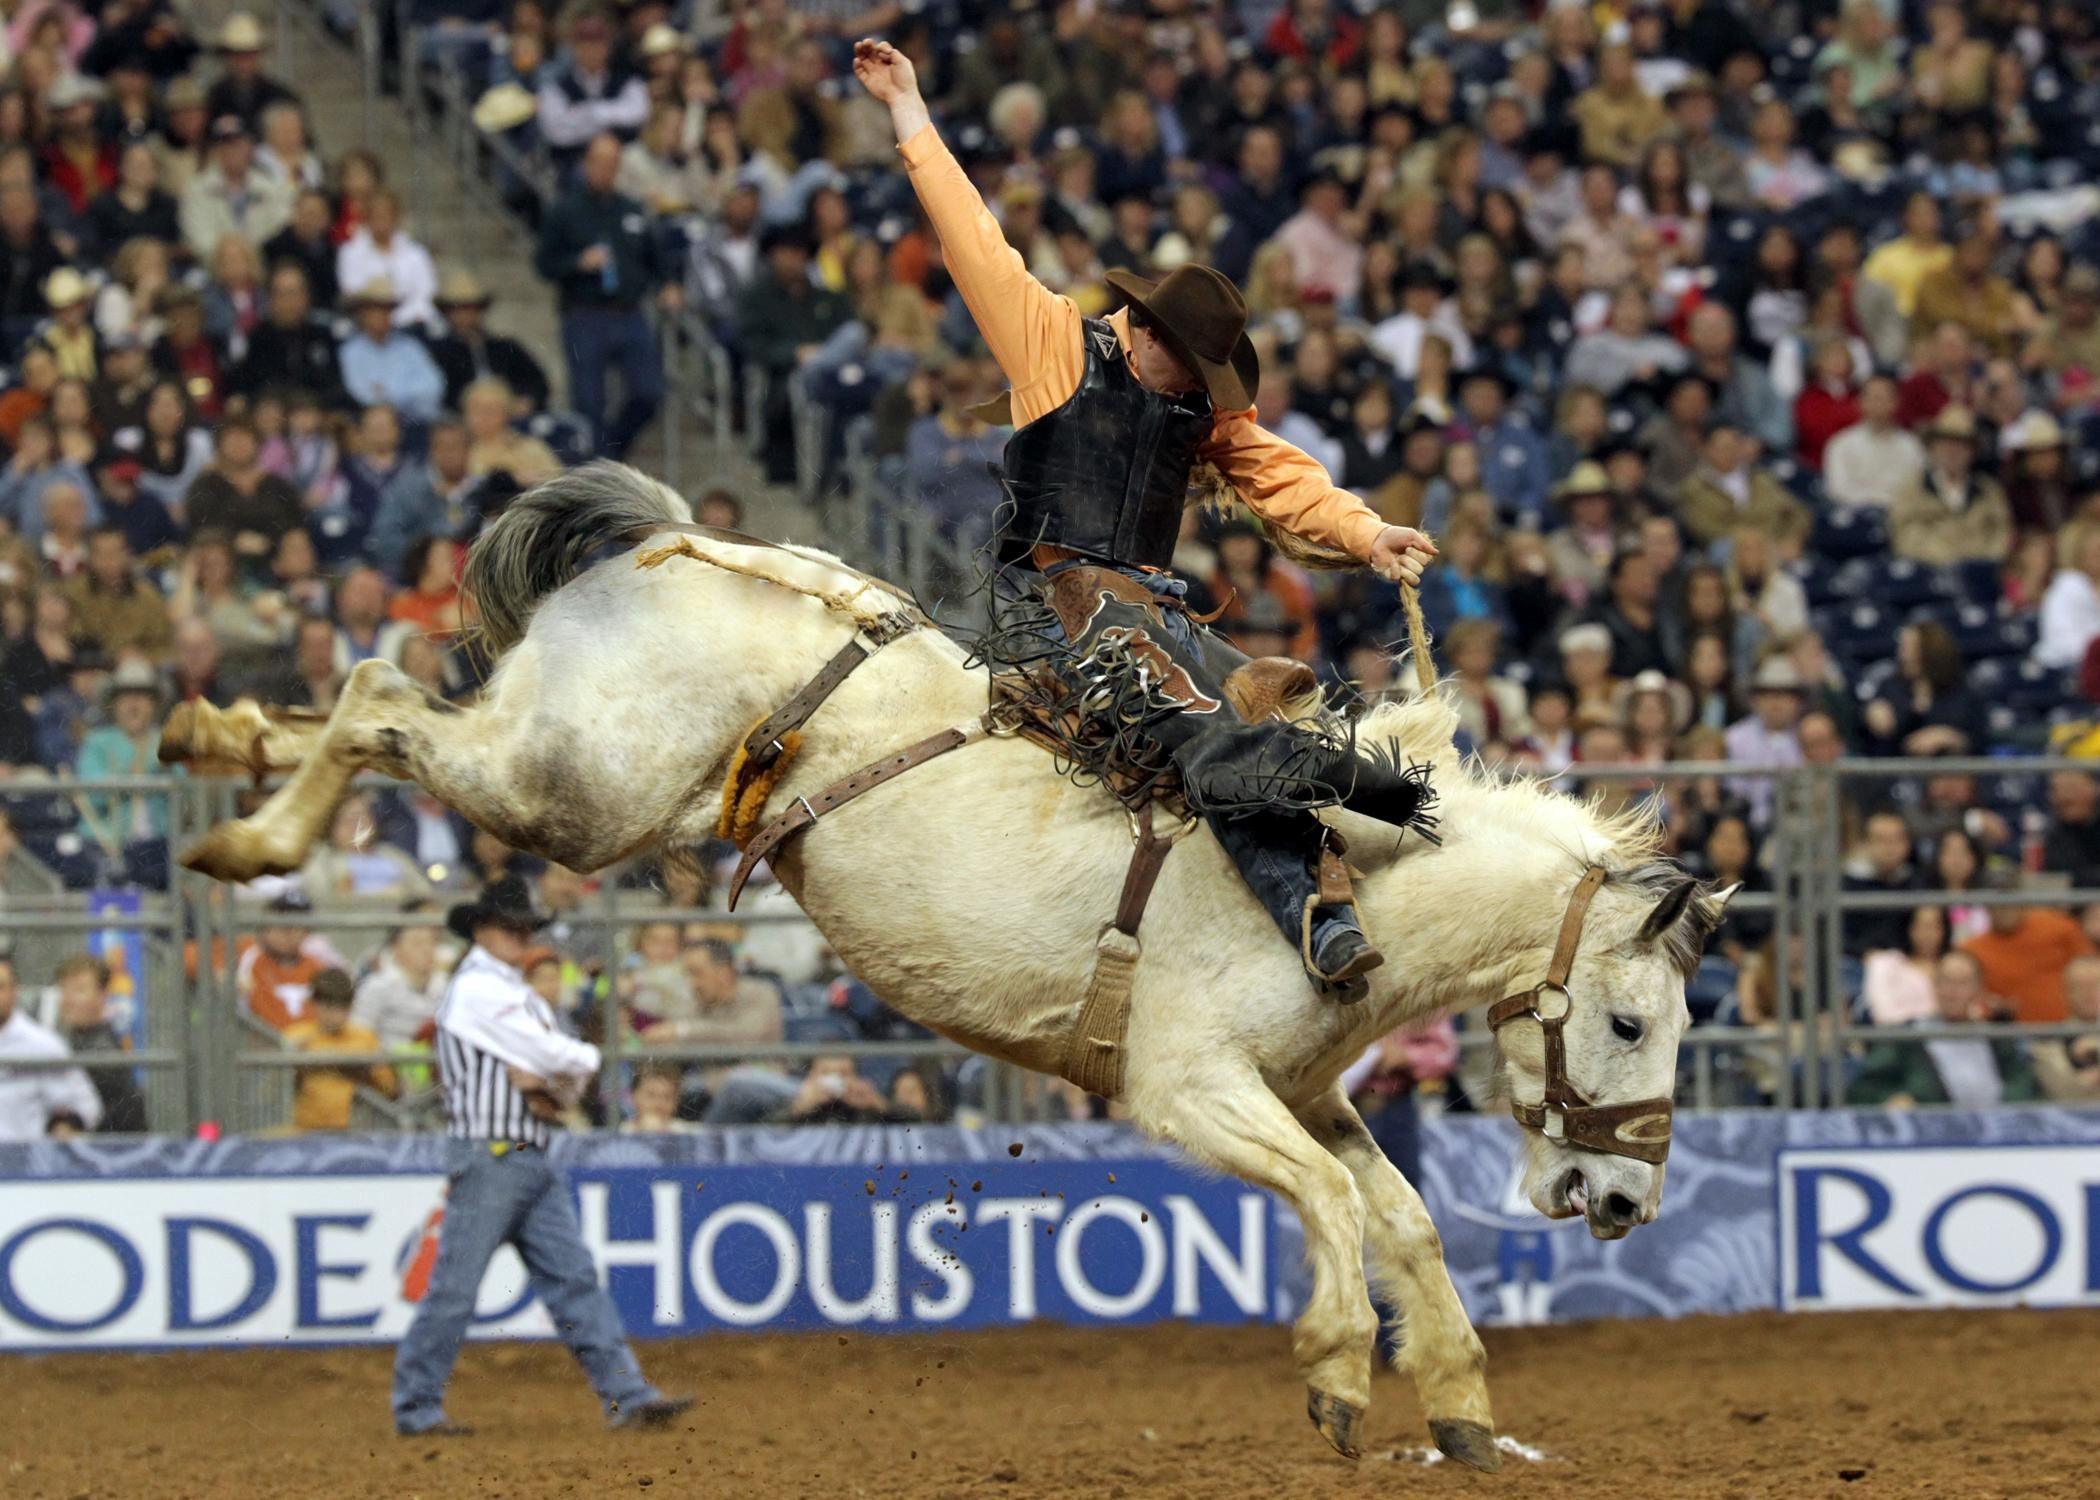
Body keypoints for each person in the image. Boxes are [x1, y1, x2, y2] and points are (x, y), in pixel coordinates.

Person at [853, 37, 1438, 997]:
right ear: (1153, 335)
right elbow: (971, 235)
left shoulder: (1198, 407)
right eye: (1195, 368)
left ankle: (1325, 856)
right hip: (1056, 604)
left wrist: (1369, 534)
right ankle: (1315, 883)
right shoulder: (1053, 343)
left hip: (1150, 616)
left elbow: (1280, 473)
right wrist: (909, 110)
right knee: (1208, 725)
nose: (1205, 394)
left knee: (1252, 698)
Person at [391, 876, 693, 1436]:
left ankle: (627, 1392)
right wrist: (573, 1062)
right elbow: (558, 1057)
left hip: (520, 1153)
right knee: (462, 1289)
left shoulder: (509, 992)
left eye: (523, 926)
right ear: (481, 930)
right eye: (509, 925)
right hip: (494, 1152)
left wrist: (559, 1073)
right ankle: (415, 1405)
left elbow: (561, 1076)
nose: (518, 933)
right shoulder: (483, 989)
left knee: (568, 1279)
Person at [533, 132, 680, 460]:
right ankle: (596, 468)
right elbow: (544, 263)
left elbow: (657, 258)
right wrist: (576, 263)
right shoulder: (564, 209)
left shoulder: (632, 209)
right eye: (599, 162)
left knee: (649, 391)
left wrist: (668, 284)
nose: (606, 170)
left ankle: (609, 455)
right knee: (588, 403)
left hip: (629, 313)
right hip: (585, 313)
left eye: (613, 163)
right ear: (586, 164)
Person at [1847, 950, 2039, 1108]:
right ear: (1934, 985)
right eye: (1945, 982)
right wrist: (1891, 1099)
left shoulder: (1997, 1038)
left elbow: (2022, 1084)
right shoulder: (1907, 1037)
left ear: (1979, 989)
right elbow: (1862, 1090)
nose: (1952, 992)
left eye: (1962, 983)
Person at [1961, 876, 2095, 1024]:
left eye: (2010, 900)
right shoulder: (1972, 950)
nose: (2005, 908)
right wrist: (1992, 1008)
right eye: (1997, 903)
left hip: (2067, 1029)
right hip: (2008, 1036)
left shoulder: (2058, 927)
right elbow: (1968, 998)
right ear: (1987, 907)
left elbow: (2090, 968)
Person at [284, 967, 399, 1131]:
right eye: (328, 1007)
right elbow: (275, 1087)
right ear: (314, 1003)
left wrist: (365, 1071)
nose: (336, 1015)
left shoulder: (365, 1038)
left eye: (343, 1007)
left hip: (355, 1130)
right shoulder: (298, 1036)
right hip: (306, 1130)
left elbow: (389, 1087)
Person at [0, 954, 101, 1139]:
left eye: (0, 987)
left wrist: (65, 1127)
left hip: (23, 1161)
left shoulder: (42, 1045)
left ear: (15, 991)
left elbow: (85, 1106)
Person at [424, 272, 550, 415]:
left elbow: (536, 382)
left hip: (512, 418)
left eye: (471, 308)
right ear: (447, 313)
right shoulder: (439, 352)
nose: (465, 315)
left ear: (480, 310)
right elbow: (441, 395)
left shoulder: (505, 347)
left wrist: (525, 401)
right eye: (457, 309)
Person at [52, 953, 146, 1132]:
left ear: (103, 995)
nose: (68, 999)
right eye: (64, 989)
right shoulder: (77, 1042)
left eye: (79, 990)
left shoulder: (102, 1052)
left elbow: (117, 1121)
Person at [2032, 953, 2100, 1102]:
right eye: (2080, 987)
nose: (2089, 994)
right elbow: (2064, 1093)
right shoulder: (2049, 1040)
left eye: (2096, 985)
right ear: (2066, 993)